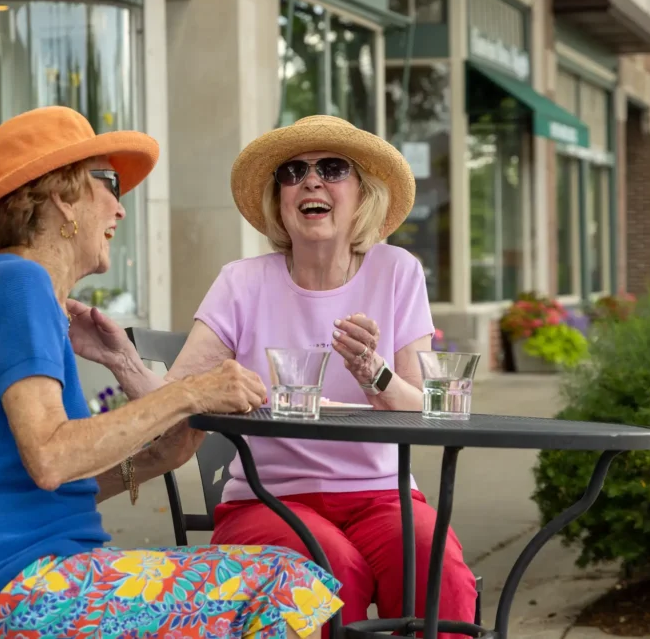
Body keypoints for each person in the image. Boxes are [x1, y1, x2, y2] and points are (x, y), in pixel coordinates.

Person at [0, 106, 343, 639]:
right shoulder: (17, 285)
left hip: (19, 577)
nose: (120, 208)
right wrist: (190, 392)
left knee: (282, 576)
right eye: (108, 183)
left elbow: (32, 481)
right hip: (10, 590)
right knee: (284, 583)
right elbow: (50, 458)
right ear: (62, 196)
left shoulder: (16, 287)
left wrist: (153, 447)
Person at [86, 115, 477, 638]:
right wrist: (122, 361)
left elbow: (422, 407)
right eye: (293, 172)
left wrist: (373, 373)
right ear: (279, 200)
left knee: (437, 568)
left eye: (332, 169)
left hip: (385, 495)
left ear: (363, 193)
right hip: (268, 499)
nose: (311, 181)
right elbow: (170, 401)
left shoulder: (397, 271)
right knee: (327, 570)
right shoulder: (242, 282)